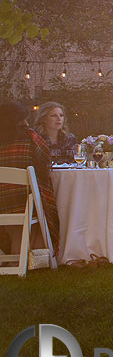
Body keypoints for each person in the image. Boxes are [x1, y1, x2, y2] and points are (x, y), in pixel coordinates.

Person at [0, 101, 59, 257]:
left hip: (2, 202)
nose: (26, 123)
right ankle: (30, 256)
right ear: (16, 120)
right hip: (23, 202)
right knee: (48, 197)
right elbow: (45, 160)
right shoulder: (29, 137)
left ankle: (13, 256)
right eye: (23, 119)